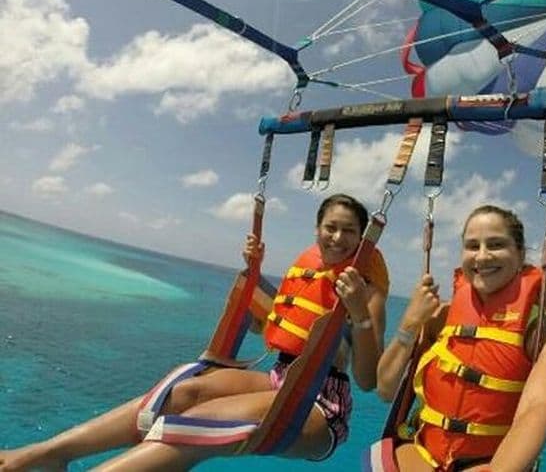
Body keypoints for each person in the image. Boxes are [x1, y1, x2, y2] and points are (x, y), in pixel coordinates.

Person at [0, 193, 389, 471]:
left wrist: (359, 312)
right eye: (330, 228)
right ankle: (52, 453)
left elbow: (368, 380)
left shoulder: (365, 289)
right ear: (317, 229)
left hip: (320, 404)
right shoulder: (309, 271)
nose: (338, 238)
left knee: (199, 424)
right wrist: (253, 271)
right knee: (182, 392)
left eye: (349, 231)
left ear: (361, 240)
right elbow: (274, 328)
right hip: (279, 378)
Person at [376, 205, 546, 472]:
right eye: (472, 246)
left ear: (520, 255)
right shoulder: (439, 317)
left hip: (489, 463)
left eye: (496, 244)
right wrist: (410, 322)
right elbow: (386, 389)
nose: (482, 256)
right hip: (422, 452)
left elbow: (534, 412)